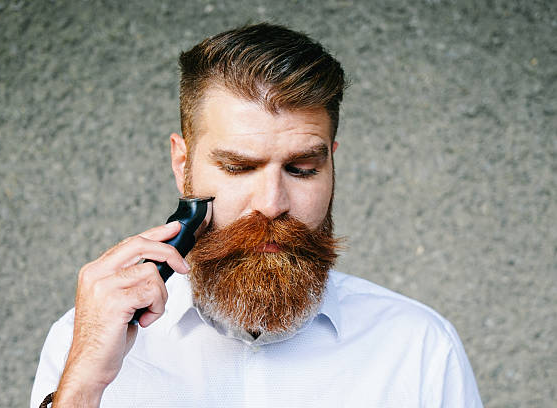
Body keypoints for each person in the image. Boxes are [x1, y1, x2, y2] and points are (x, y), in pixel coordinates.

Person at [31, 23, 483, 407]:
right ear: (181, 164)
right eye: (238, 167)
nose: (271, 203)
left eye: (302, 169)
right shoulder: (83, 341)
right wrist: (80, 391)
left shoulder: (421, 347)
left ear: (331, 165)